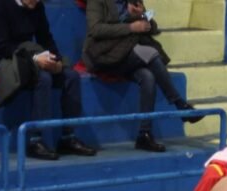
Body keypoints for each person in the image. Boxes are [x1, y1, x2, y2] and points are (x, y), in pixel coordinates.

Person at [0, 0, 96, 160]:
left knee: (71, 76)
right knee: (42, 77)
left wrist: (57, 61)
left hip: (26, 53)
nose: (36, 2)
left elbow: (45, 38)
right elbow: (2, 46)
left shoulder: (36, 6)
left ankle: (68, 137)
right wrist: (34, 59)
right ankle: (36, 141)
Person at [82, 0, 202, 152]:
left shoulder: (134, 1)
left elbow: (153, 28)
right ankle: (180, 105)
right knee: (151, 53)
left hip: (127, 52)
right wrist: (130, 27)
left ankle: (144, 134)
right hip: (104, 53)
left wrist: (142, 15)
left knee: (148, 77)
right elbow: (96, 29)